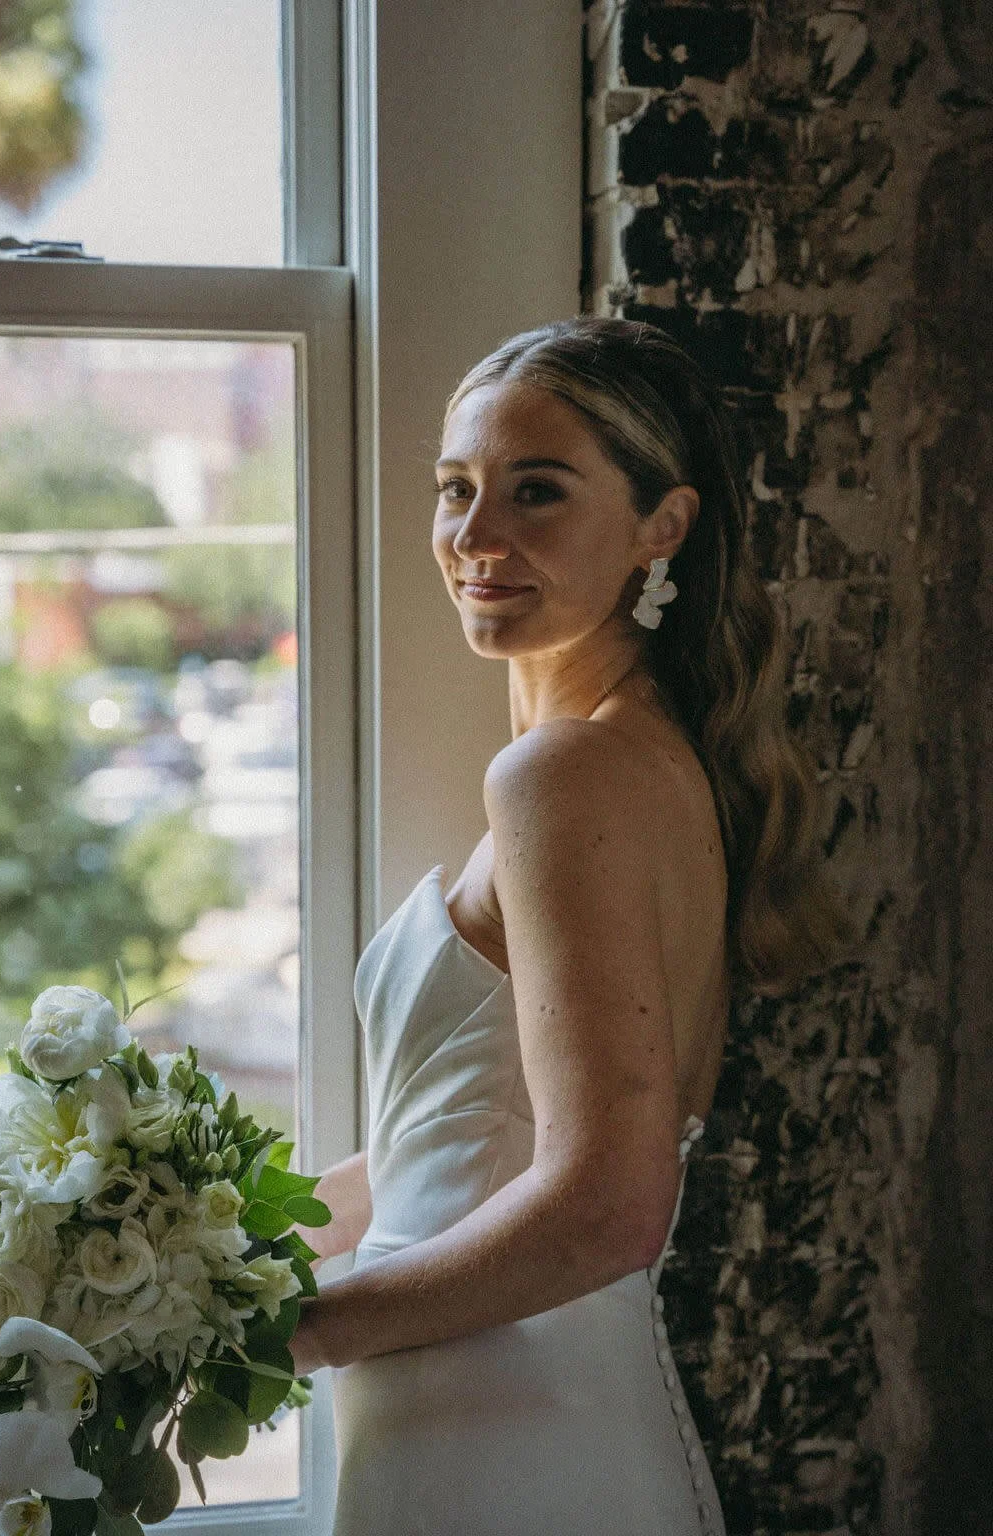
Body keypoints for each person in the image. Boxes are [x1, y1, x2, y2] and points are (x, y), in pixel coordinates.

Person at [292, 316, 854, 1535]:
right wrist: (203, 1247)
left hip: (506, 1450)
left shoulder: (565, 776)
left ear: (665, 525)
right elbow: (469, 1143)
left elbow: (608, 1201)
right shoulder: (632, 762)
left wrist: (295, 1333)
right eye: (455, 490)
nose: (474, 538)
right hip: (501, 1424)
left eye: (535, 492)